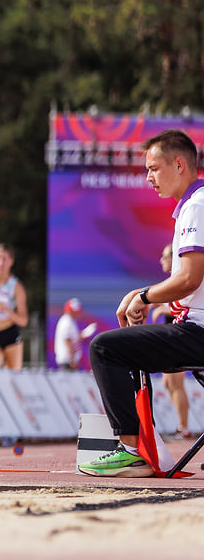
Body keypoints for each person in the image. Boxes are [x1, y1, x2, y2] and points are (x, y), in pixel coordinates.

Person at [80, 129, 204, 477]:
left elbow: (189, 279)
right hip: (193, 328)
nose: (148, 178)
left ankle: (133, 450)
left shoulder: (198, 206)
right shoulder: (193, 206)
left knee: (106, 348)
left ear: (179, 164)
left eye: (153, 168)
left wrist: (142, 295)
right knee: (125, 346)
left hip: (199, 332)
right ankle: (142, 447)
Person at [148, 243, 192, 437]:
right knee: (169, 384)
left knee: (177, 384)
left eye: (165, 256)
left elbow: (184, 307)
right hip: (171, 336)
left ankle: (184, 428)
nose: (161, 260)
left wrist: (161, 309)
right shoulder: (173, 281)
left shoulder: (182, 278)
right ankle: (181, 426)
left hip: (180, 336)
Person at [54, 298, 96, 371]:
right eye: (75, 311)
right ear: (69, 310)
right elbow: (67, 341)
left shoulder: (69, 321)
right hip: (67, 362)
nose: (77, 313)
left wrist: (83, 334)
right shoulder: (67, 321)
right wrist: (72, 360)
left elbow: (72, 340)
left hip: (68, 361)